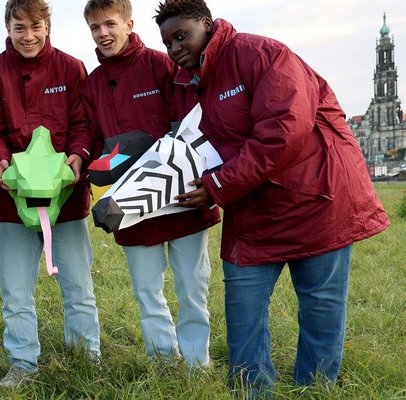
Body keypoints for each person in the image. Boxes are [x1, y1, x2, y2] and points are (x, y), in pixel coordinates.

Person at [154, 0, 390, 396]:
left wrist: (216, 187)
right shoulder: (189, 82)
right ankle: (253, 393)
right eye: (167, 42)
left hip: (318, 198)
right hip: (254, 209)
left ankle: (313, 391)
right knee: (243, 314)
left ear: (207, 26)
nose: (175, 47)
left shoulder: (262, 55)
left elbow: (282, 133)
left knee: (320, 309)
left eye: (182, 36)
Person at [82, 0, 220, 370]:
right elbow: (91, 136)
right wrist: (93, 163)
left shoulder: (163, 65)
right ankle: (163, 363)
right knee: (147, 292)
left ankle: (197, 367)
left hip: (182, 195)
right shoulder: (93, 83)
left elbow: (192, 123)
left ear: (128, 23)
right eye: (95, 28)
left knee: (193, 290)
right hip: (130, 204)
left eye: (109, 24)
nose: (103, 34)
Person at [0, 0, 101, 388]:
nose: (27, 36)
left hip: (66, 200)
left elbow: (83, 123)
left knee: (79, 286)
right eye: (19, 28)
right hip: (13, 201)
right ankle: (22, 361)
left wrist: (79, 156)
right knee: (15, 291)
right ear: (8, 29)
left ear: (47, 27)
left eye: (35, 27)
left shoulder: (71, 68)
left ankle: (86, 356)